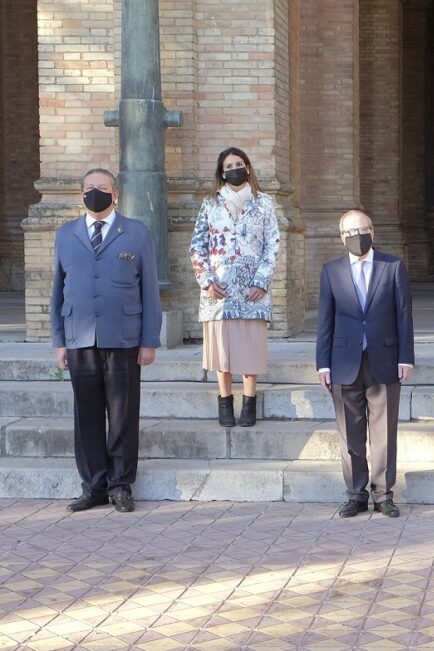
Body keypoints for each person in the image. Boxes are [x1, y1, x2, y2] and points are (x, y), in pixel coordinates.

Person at [51, 169, 162, 513]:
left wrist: (149, 341)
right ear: (80, 194)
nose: (94, 194)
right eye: (88, 189)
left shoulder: (136, 233)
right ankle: (94, 485)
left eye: (101, 188)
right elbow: (57, 292)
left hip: (124, 340)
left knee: (123, 414)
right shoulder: (66, 235)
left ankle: (120, 485)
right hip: (79, 339)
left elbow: (150, 292)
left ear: (116, 195)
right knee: (86, 416)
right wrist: (59, 341)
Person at [317, 211, 415, 518]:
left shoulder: (393, 266)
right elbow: (325, 320)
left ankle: (383, 494)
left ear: (372, 231)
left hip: (384, 359)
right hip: (343, 362)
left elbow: (404, 315)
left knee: (384, 433)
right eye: (349, 230)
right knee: (351, 434)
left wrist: (406, 357)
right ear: (341, 236)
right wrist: (323, 364)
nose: (356, 235)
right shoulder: (331, 271)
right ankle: (355, 494)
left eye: (362, 228)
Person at [189, 147, 280, 427]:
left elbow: (272, 245)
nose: (234, 169)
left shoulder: (265, 203)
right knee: (223, 351)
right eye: (228, 166)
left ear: (248, 168)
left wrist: (261, 281)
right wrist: (206, 281)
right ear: (221, 172)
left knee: (249, 349)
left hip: (253, 290)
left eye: (238, 164)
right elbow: (197, 246)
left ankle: (249, 404)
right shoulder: (210, 204)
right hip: (220, 292)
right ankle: (225, 402)